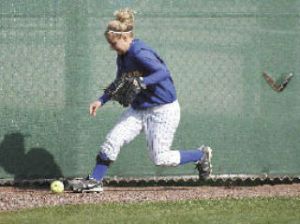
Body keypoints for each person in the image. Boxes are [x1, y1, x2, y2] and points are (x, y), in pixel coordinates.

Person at [70, 8, 213, 192]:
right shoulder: (122, 57)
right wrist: (101, 100)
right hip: (138, 109)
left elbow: (163, 72)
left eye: (114, 44)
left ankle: (200, 155)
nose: (112, 47)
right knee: (113, 139)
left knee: (160, 158)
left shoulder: (140, 52)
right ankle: (95, 181)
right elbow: (120, 82)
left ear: (125, 38)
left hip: (163, 110)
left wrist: (142, 81)